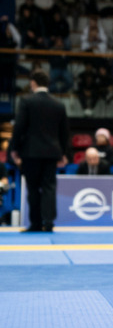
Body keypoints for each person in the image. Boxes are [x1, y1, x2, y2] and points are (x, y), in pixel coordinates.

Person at [10, 69, 70, 232]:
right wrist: (64, 153)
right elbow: (64, 132)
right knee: (49, 186)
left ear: (33, 83)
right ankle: (49, 222)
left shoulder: (27, 101)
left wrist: (14, 148)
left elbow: (19, 127)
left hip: (31, 152)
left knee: (33, 187)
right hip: (52, 152)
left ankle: (36, 223)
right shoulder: (58, 104)